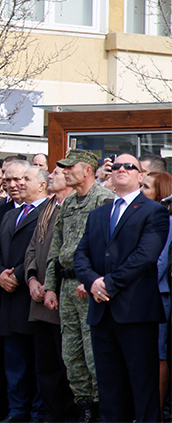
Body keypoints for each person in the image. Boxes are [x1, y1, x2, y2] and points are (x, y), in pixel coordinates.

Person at [74, 154, 169, 422]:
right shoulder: (97, 214)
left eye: (130, 166)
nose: (122, 169)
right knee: (109, 389)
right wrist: (92, 281)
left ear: (141, 176)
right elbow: (80, 255)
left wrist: (108, 283)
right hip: (102, 313)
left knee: (143, 388)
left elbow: (145, 256)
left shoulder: (154, 211)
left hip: (136, 312)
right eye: (116, 166)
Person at [43, 149, 113, 422]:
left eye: (71, 167)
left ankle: (101, 406)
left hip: (89, 287)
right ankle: (83, 405)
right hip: (67, 286)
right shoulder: (69, 203)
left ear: (87, 170)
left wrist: (91, 278)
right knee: (71, 353)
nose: (65, 171)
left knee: (93, 350)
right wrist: (50, 285)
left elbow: (108, 248)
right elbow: (55, 248)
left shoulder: (103, 200)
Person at [0, 166, 49, 422]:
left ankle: (37, 412)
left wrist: (18, 275)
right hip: (9, 298)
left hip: (32, 296)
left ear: (42, 185)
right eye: (16, 179)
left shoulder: (49, 212)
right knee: (14, 362)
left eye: (25, 179)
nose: (19, 184)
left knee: (37, 361)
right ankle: (17, 410)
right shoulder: (9, 215)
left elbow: (42, 253)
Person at [23, 166, 75, 422]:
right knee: (46, 366)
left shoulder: (76, 207)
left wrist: (51, 286)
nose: (50, 176)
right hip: (40, 301)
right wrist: (31, 278)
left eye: (56, 172)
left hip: (63, 300)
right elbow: (32, 249)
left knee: (69, 364)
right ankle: (52, 414)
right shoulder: (47, 208)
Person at [141, 171, 172, 415]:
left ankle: (157, 412)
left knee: (158, 354)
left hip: (156, 293)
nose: (140, 191)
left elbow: (159, 261)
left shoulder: (166, 220)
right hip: (135, 293)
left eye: (146, 187)